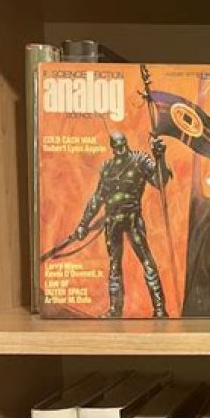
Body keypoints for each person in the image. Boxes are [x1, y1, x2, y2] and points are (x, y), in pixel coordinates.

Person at [73, 131, 171, 317]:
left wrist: (160, 158)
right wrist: (83, 224)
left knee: (147, 263)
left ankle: (160, 310)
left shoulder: (140, 160)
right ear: (112, 147)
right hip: (112, 223)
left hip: (132, 219)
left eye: (123, 146)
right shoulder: (107, 168)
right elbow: (97, 198)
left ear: (126, 143)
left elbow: (159, 181)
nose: (121, 150)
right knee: (114, 267)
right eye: (117, 147)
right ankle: (115, 310)